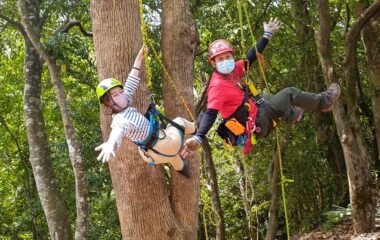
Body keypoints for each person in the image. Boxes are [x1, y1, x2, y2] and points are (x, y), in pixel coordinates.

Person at [181, 18, 341, 157]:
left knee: (266, 96)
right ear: (213, 63)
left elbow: (250, 59)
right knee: (290, 94)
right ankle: (325, 101)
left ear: (232, 56)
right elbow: (210, 114)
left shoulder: (232, 70)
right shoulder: (217, 87)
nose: (225, 61)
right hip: (258, 122)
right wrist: (198, 137)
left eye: (228, 57)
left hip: (257, 111)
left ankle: (293, 115)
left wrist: (266, 36)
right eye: (220, 59)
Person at [95, 46, 195, 178]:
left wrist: (140, 58)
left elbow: (131, 81)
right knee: (178, 122)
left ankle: (181, 167)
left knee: (172, 156)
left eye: (121, 91)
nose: (121, 95)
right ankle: (196, 130)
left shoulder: (124, 102)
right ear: (108, 103)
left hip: (150, 155)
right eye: (115, 95)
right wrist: (110, 144)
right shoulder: (121, 119)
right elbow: (118, 130)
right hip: (163, 146)